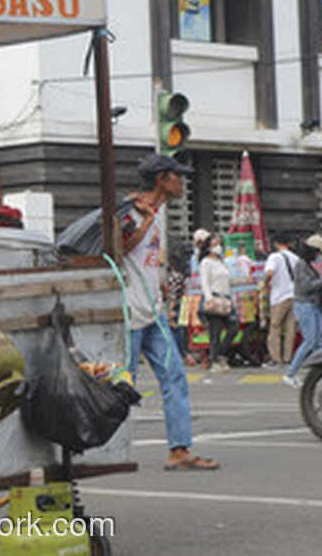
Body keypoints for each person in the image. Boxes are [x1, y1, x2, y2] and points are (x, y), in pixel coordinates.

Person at [121, 154, 218, 471]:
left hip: (153, 312)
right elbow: (116, 248)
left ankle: (179, 450)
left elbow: (148, 258)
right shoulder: (130, 212)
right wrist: (145, 221)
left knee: (175, 377)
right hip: (128, 314)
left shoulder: (158, 215)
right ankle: (103, 449)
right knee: (123, 385)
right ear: (163, 178)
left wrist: (161, 282)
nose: (182, 182)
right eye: (177, 176)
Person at [284, 237, 322, 388]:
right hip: (305, 305)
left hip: (312, 305)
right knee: (310, 341)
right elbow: (305, 287)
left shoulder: (308, 265)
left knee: (319, 342)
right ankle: (291, 373)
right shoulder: (301, 265)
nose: (319, 255)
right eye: (317, 252)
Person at [198, 234, 233, 372]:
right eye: (214, 244)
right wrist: (208, 298)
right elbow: (204, 282)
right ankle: (214, 361)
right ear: (208, 247)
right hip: (214, 298)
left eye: (219, 244)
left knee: (233, 328)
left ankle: (220, 355)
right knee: (215, 332)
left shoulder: (222, 262)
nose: (218, 247)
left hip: (225, 299)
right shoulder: (206, 262)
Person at [262, 234, 299, 367]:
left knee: (275, 327)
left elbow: (270, 273)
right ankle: (288, 358)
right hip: (294, 296)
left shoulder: (274, 257)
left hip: (279, 297)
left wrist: (265, 284)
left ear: (276, 244)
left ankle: (276, 359)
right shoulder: (296, 258)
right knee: (290, 328)